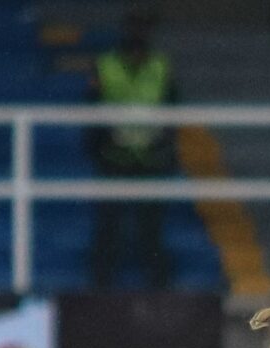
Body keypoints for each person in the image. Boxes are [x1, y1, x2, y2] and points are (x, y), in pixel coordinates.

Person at [88, 10, 177, 288]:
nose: (138, 35)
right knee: (109, 226)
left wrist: (165, 148)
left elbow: (173, 108)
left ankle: (158, 287)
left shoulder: (160, 66)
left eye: (144, 28)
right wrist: (98, 148)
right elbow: (90, 109)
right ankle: (100, 286)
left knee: (150, 228)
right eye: (134, 27)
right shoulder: (106, 65)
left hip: (149, 157)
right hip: (114, 156)